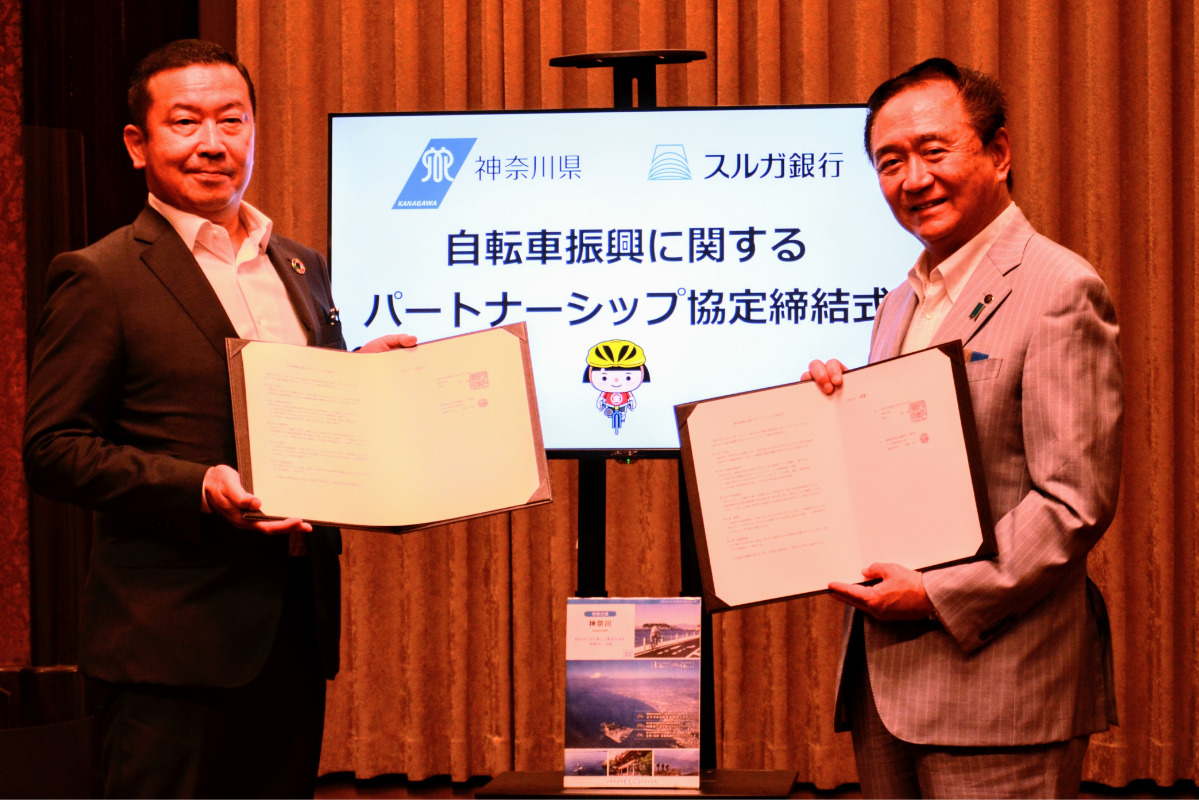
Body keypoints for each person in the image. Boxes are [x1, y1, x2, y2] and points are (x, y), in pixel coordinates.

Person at [23, 39, 413, 798]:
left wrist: (362, 383)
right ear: (139, 144)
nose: (212, 144)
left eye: (231, 121)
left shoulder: (299, 267)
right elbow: (53, 448)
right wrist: (198, 485)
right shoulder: (100, 275)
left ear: (254, 132)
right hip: (167, 653)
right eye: (185, 122)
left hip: (293, 639)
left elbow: (306, 409)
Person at [804, 58, 1122, 798]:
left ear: (998, 153)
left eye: (933, 150)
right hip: (887, 685)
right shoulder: (900, 302)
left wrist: (939, 595)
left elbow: (1071, 502)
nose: (911, 179)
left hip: (999, 689)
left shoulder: (1056, 287)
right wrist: (824, 420)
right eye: (890, 161)